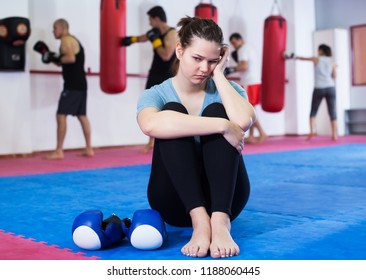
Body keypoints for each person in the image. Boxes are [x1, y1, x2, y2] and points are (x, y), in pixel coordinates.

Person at [136, 16, 256, 258]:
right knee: (173, 113)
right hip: (175, 201)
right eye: (197, 58)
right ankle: (200, 221)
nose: (204, 68)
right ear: (179, 51)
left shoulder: (227, 89)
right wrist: (222, 125)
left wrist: (220, 76)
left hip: (226, 202)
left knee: (216, 108)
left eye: (213, 61)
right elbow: (150, 124)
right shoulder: (156, 93)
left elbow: (243, 122)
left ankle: (220, 223)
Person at [121, 6, 177, 152]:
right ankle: (151, 141)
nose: (150, 23)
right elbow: (143, 37)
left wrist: (156, 41)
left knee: (167, 108)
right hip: (155, 73)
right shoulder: (155, 33)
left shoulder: (172, 33)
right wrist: (130, 40)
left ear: (156, 18)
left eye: (150, 20)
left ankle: (168, 140)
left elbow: (165, 55)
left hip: (168, 75)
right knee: (150, 106)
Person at [45, 18, 94, 159]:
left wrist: (54, 56)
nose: (53, 31)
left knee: (61, 115)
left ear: (63, 28)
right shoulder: (72, 40)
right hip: (80, 83)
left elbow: (70, 59)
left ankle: (59, 151)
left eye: (55, 28)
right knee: (82, 115)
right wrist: (52, 58)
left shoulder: (66, 40)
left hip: (72, 84)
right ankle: (89, 148)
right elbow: (64, 62)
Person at [226, 32, 267, 144]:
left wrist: (230, 70)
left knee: (248, 110)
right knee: (252, 109)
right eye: (232, 44)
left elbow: (244, 66)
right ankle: (252, 136)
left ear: (240, 39)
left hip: (250, 82)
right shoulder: (250, 47)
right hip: (255, 81)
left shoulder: (243, 50)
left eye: (234, 42)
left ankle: (262, 133)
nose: (234, 46)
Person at [294, 44, 337, 141]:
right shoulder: (331, 61)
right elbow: (334, 76)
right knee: (332, 112)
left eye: (318, 49)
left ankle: (311, 131)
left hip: (319, 88)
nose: (317, 51)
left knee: (313, 111)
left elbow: (303, 58)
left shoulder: (317, 59)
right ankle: (334, 134)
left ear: (321, 51)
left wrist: (293, 57)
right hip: (330, 87)